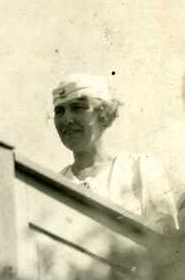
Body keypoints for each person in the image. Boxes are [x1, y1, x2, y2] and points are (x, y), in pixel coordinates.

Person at [52, 73, 179, 232]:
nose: (67, 119)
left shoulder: (140, 169)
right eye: (59, 111)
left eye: (77, 108)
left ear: (103, 114)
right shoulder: (53, 185)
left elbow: (166, 244)